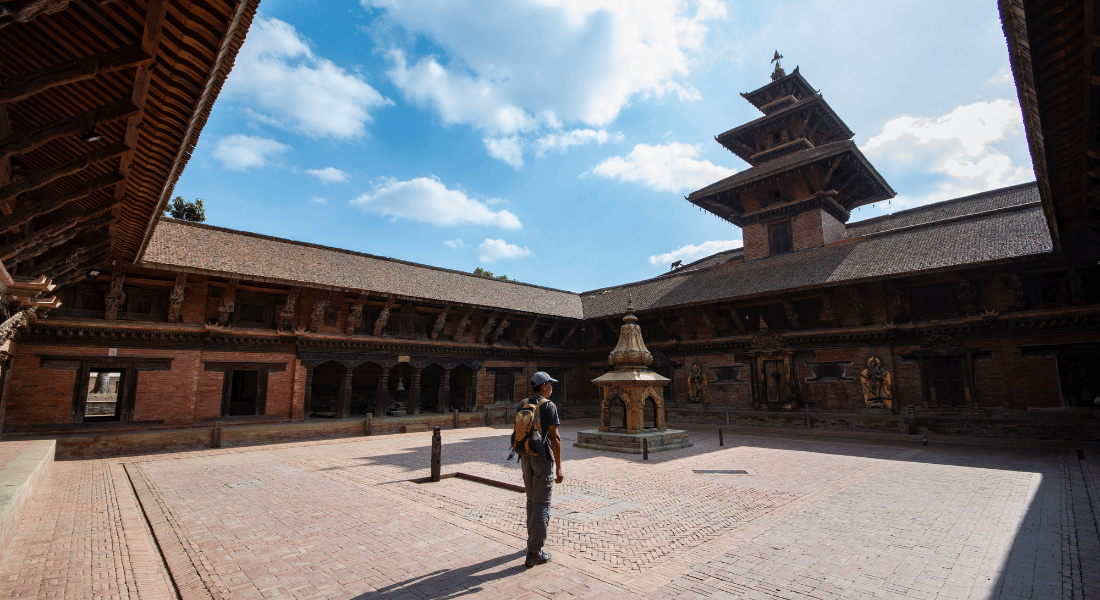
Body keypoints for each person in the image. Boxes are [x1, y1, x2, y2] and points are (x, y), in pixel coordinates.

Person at [519, 371, 563, 568]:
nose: (552, 387)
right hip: (542, 458)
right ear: (544, 385)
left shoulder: (522, 403)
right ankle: (535, 552)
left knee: (531, 500)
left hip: (525, 455)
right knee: (542, 503)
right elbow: (555, 437)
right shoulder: (549, 406)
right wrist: (559, 467)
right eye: (550, 384)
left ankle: (532, 541)